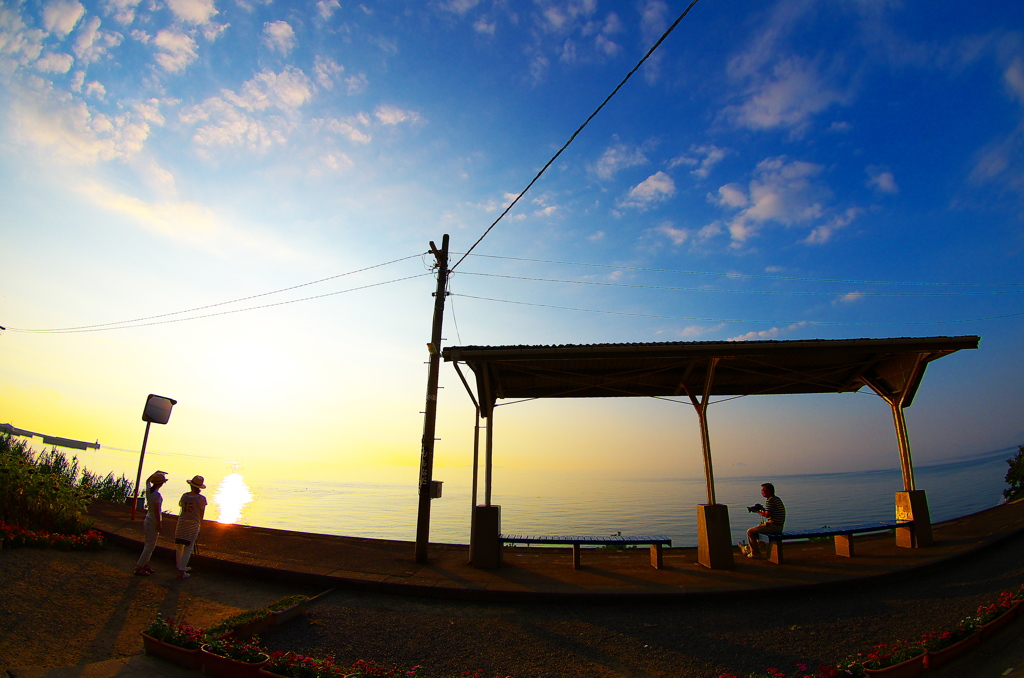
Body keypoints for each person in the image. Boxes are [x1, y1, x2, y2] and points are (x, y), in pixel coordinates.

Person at [134, 470, 168, 576]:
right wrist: (159, 524)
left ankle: (145, 564)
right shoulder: (156, 495)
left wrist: (155, 473)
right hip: (153, 521)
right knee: (150, 546)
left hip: (147, 519)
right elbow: (157, 511)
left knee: (148, 544)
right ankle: (139, 567)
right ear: (161, 483)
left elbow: (147, 480)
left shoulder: (149, 490)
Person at [174, 475, 208, 580]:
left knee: (179, 546)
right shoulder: (201, 499)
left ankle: (180, 566)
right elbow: (201, 514)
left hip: (182, 522)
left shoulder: (184, 496)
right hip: (193, 524)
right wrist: (200, 525)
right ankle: (181, 571)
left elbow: (181, 507)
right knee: (188, 548)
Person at [746, 482, 786, 559]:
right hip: (778, 526)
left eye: (763, 490)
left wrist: (757, 512)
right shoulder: (776, 499)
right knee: (757, 529)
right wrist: (763, 509)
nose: (762, 492)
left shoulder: (770, 500)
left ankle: (755, 553)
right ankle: (751, 549)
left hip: (774, 526)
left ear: (769, 491)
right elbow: (771, 512)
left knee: (750, 532)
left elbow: (767, 515)